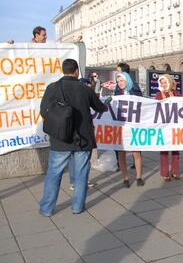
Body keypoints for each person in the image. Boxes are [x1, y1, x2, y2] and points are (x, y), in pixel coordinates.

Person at [39, 59, 107, 217]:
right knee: (81, 174)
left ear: (63, 70)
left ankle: (47, 209)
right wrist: (106, 103)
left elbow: (44, 111)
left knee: (53, 174)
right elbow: (100, 107)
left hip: (60, 139)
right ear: (76, 71)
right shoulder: (85, 89)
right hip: (82, 139)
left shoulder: (52, 88)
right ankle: (77, 207)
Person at [114, 72, 144, 187]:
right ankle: (125, 178)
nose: (120, 83)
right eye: (118, 81)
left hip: (133, 127)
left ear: (127, 81)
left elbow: (143, 105)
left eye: (121, 81)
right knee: (121, 153)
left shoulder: (135, 91)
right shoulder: (116, 93)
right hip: (121, 127)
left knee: (136, 152)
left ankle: (139, 177)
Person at [156, 74, 181, 181]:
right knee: (164, 150)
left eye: (165, 82)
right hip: (163, 126)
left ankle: (175, 171)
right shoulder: (158, 95)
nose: (163, 84)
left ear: (169, 82)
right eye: (161, 83)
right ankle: (165, 173)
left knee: (175, 150)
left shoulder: (176, 93)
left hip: (175, 125)